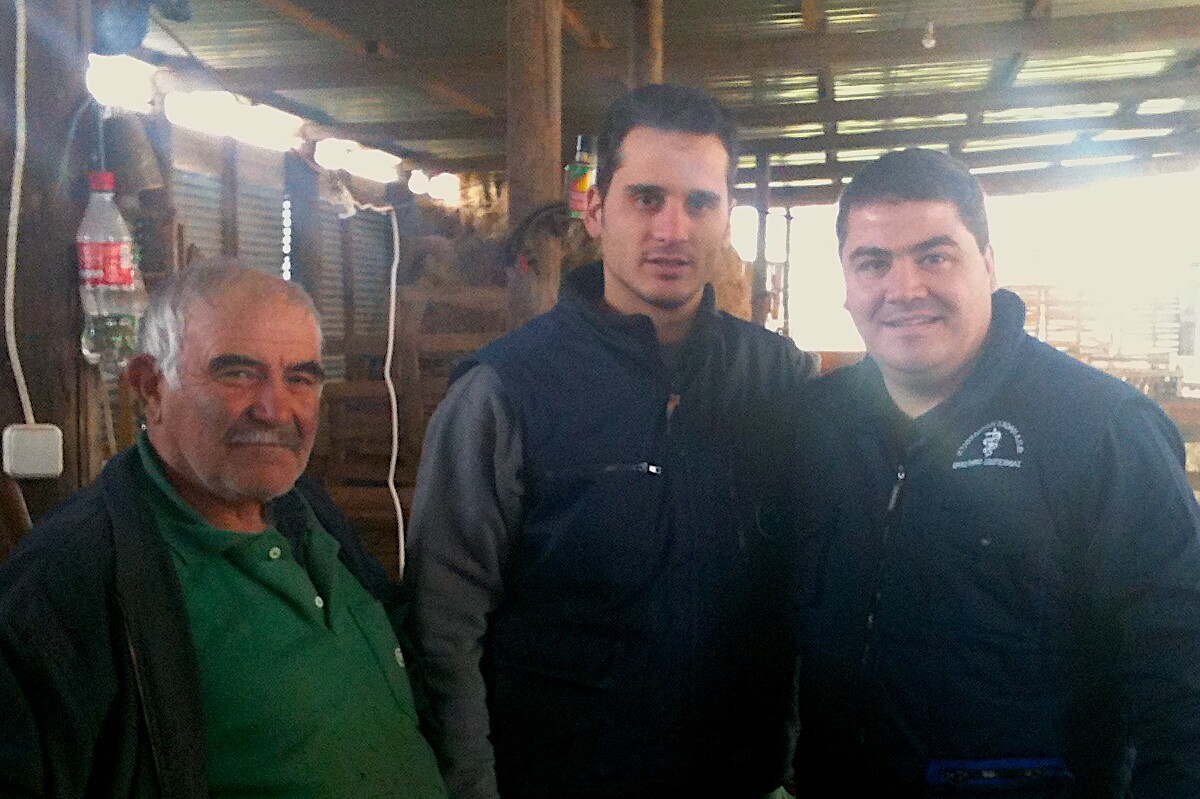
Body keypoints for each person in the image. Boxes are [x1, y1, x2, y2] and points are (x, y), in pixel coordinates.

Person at [405, 83, 817, 799]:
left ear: (726, 219)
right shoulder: (505, 392)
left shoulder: (782, 379)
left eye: (700, 203)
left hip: (739, 778)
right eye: (646, 198)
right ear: (595, 211)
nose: (672, 230)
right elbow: (444, 622)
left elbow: (819, 586)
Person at [793, 147, 1200, 797]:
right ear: (845, 282)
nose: (904, 289)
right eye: (873, 262)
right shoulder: (816, 425)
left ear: (987, 263)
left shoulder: (1100, 428)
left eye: (934, 255)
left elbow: (1182, 673)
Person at [0, 262, 447, 798]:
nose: (275, 409)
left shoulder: (307, 513)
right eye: (238, 373)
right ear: (150, 386)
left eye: (300, 378)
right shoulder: (70, 579)